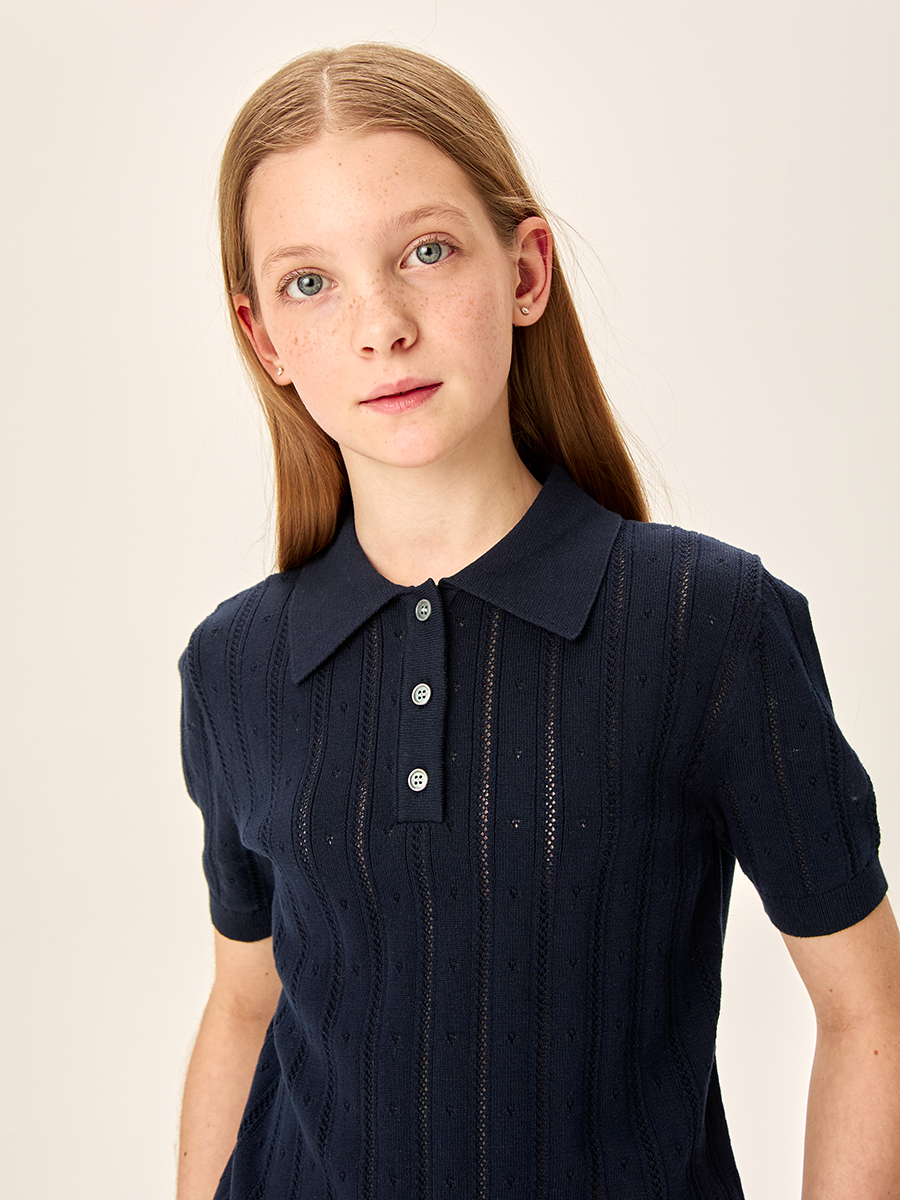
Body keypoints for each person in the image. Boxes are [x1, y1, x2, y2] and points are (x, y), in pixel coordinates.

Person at [176, 43, 900, 1200]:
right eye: (312, 283)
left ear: (525, 272)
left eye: (426, 251)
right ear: (265, 339)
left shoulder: (706, 627)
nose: (381, 326)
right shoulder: (235, 664)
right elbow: (245, 1003)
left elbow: (868, 1007)